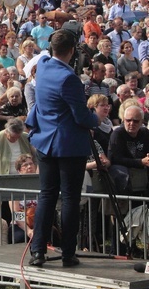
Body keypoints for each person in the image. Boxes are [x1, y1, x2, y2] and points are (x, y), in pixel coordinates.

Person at [26, 29, 99, 267]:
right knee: (70, 199)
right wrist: (95, 118)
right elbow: (81, 116)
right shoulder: (69, 79)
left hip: (44, 142)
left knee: (46, 196)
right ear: (71, 51)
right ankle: (68, 253)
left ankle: (38, 251)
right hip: (67, 145)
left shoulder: (44, 65)